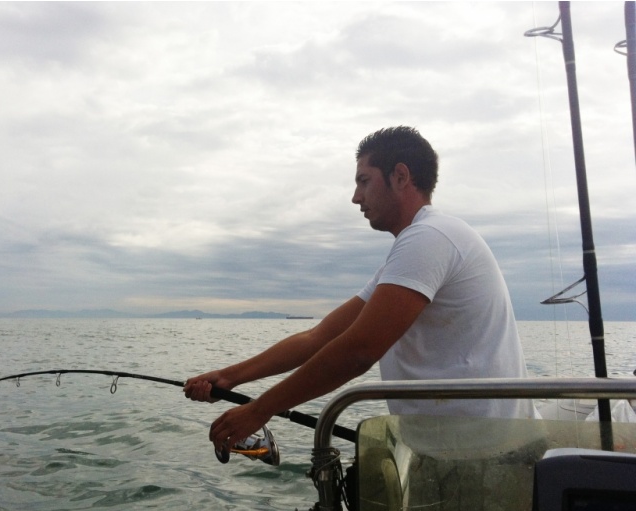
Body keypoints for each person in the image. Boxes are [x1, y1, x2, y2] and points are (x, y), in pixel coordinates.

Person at [184, 126, 538, 455]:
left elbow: (358, 352)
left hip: (482, 451)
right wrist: (231, 376)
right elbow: (317, 338)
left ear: (400, 176)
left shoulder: (429, 238)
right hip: (458, 446)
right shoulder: (409, 254)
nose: (356, 197)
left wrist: (260, 410)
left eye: (364, 181)